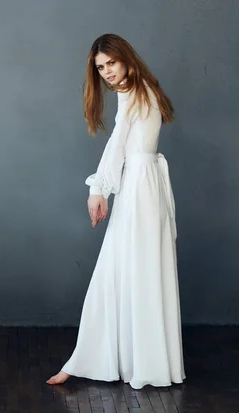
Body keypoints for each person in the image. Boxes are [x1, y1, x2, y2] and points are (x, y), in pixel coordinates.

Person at [46, 34, 185, 389]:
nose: (107, 72)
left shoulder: (134, 91)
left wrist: (98, 189)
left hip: (141, 185)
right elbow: (124, 142)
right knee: (135, 270)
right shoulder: (144, 87)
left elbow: (118, 142)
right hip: (145, 184)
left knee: (119, 270)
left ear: (125, 59)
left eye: (111, 63)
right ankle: (142, 362)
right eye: (100, 67)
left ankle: (99, 360)